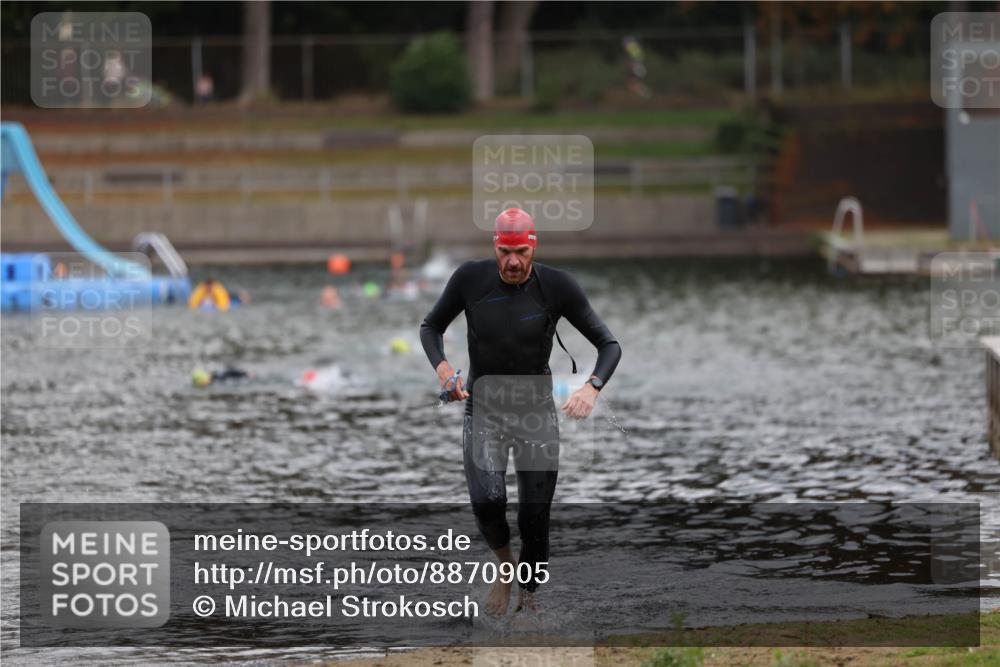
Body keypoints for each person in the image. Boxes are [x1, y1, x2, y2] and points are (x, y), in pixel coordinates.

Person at [419, 208, 621, 616]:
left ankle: (529, 604)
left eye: (521, 252)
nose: (514, 262)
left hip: (535, 415)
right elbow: (430, 327)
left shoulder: (558, 286)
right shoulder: (469, 280)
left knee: (534, 517)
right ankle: (504, 565)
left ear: (533, 247)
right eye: (506, 252)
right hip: (484, 410)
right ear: (496, 247)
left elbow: (609, 345)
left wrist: (592, 387)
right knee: (487, 500)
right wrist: (443, 372)